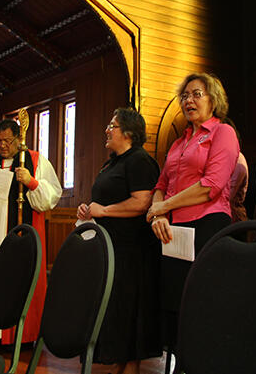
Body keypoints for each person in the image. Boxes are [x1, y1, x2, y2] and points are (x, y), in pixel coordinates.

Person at [145, 72, 239, 353]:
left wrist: (164, 207)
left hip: (208, 224)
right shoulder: (177, 142)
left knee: (204, 303)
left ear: (214, 99)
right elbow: (161, 185)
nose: (189, 100)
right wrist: (160, 214)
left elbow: (211, 185)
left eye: (197, 94)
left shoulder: (223, 132)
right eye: (185, 95)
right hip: (173, 230)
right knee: (175, 304)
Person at [76, 108, 161, 374]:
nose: (107, 129)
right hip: (111, 247)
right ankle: (120, 363)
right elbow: (102, 201)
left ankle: (130, 365)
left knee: (128, 307)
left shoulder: (139, 160)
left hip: (132, 250)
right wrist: (88, 210)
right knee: (114, 307)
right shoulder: (112, 162)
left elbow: (143, 202)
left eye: (112, 125)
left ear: (128, 132)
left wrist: (104, 210)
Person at [0, 119, 61, 344]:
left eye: (7, 141)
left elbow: (51, 196)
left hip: (19, 235)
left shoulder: (35, 160)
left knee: (17, 278)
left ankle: (19, 336)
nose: (3, 146)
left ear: (19, 139)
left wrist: (31, 182)